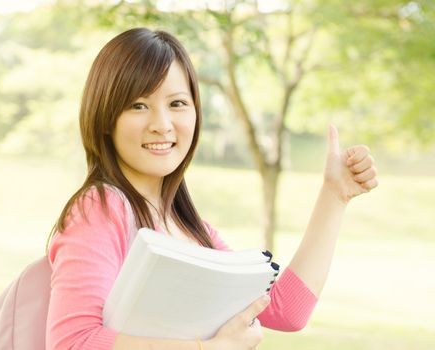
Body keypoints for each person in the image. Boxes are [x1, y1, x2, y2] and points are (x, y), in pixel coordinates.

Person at [45, 27, 378, 350]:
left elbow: (284, 309)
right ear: (105, 117)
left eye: (176, 104)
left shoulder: (190, 229)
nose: (162, 125)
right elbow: (74, 342)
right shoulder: (101, 209)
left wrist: (335, 196)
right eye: (138, 105)